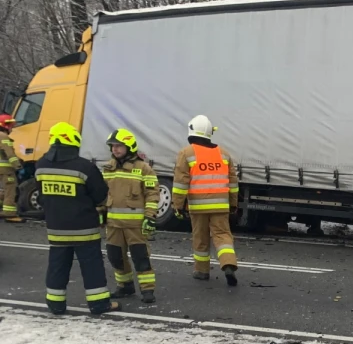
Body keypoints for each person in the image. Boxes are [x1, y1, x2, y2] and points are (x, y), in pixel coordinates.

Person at [36, 121, 117, 315]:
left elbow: (41, 197)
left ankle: (55, 304)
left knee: (57, 266)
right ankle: (99, 304)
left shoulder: (41, 165)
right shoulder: (84, 167)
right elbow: (101, 196)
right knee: (91, 267)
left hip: (56, 229)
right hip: (84, 229)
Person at [173, 114, 239, 285]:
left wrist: (178, 205)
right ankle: (228, 264)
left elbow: (181, 182)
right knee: (223, 236)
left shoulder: (186, 153)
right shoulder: (224, 154)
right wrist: (233, 203)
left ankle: (202, 272)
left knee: (200, 237)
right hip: (220, 205)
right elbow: (233, 182)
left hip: (198, 206)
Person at [101, 128, 159, 304]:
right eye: (112, 146)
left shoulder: (143, 168)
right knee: (115, 256)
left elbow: (152, 194)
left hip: (135, 225)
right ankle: (125, 286)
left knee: (140, 257)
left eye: (119, 146)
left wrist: (150, 217)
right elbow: (102, 194)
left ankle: (147, 290)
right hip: (113, 224)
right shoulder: (108, 167)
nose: (115, 150)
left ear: (129, 147)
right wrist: (100, 213)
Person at [0, 112, 22, 222]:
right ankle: (9, 213)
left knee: (2, 190)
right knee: (10, 188)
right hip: (5, 169)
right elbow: (9, 153)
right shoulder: (3, 136)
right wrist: (17, 165)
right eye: (10, 125)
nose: (11, 128)